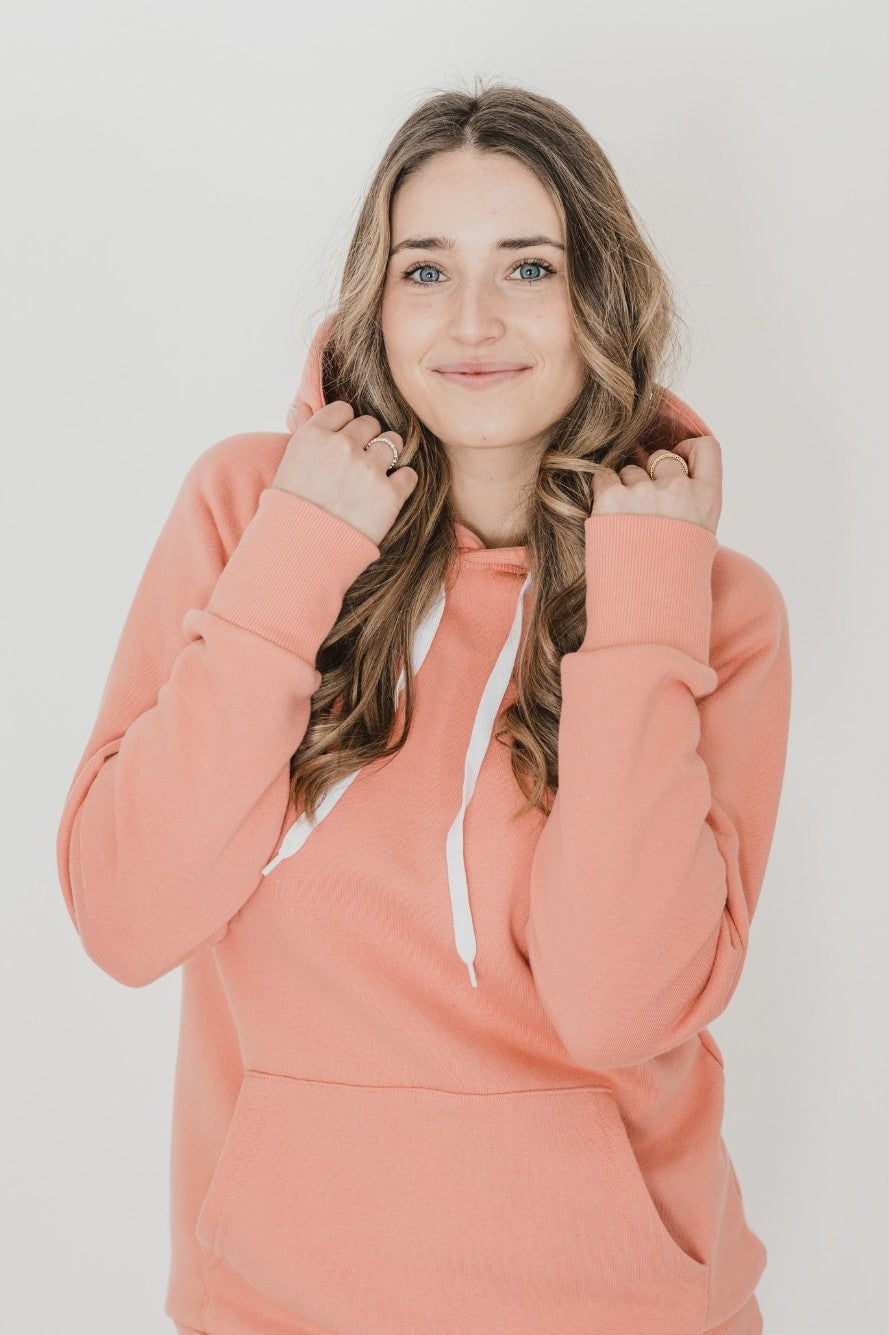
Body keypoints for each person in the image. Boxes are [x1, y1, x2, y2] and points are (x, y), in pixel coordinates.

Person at [55, 79, 791, 1335]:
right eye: (426, 271)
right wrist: (298, 555)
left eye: (528, 266)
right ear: (374, 300)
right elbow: (128, 917)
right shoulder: (253, 511)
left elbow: (619, 1003)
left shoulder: (707, 603)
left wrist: (642, 602)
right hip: (273, 1306)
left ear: (596, 296)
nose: (475, 320)